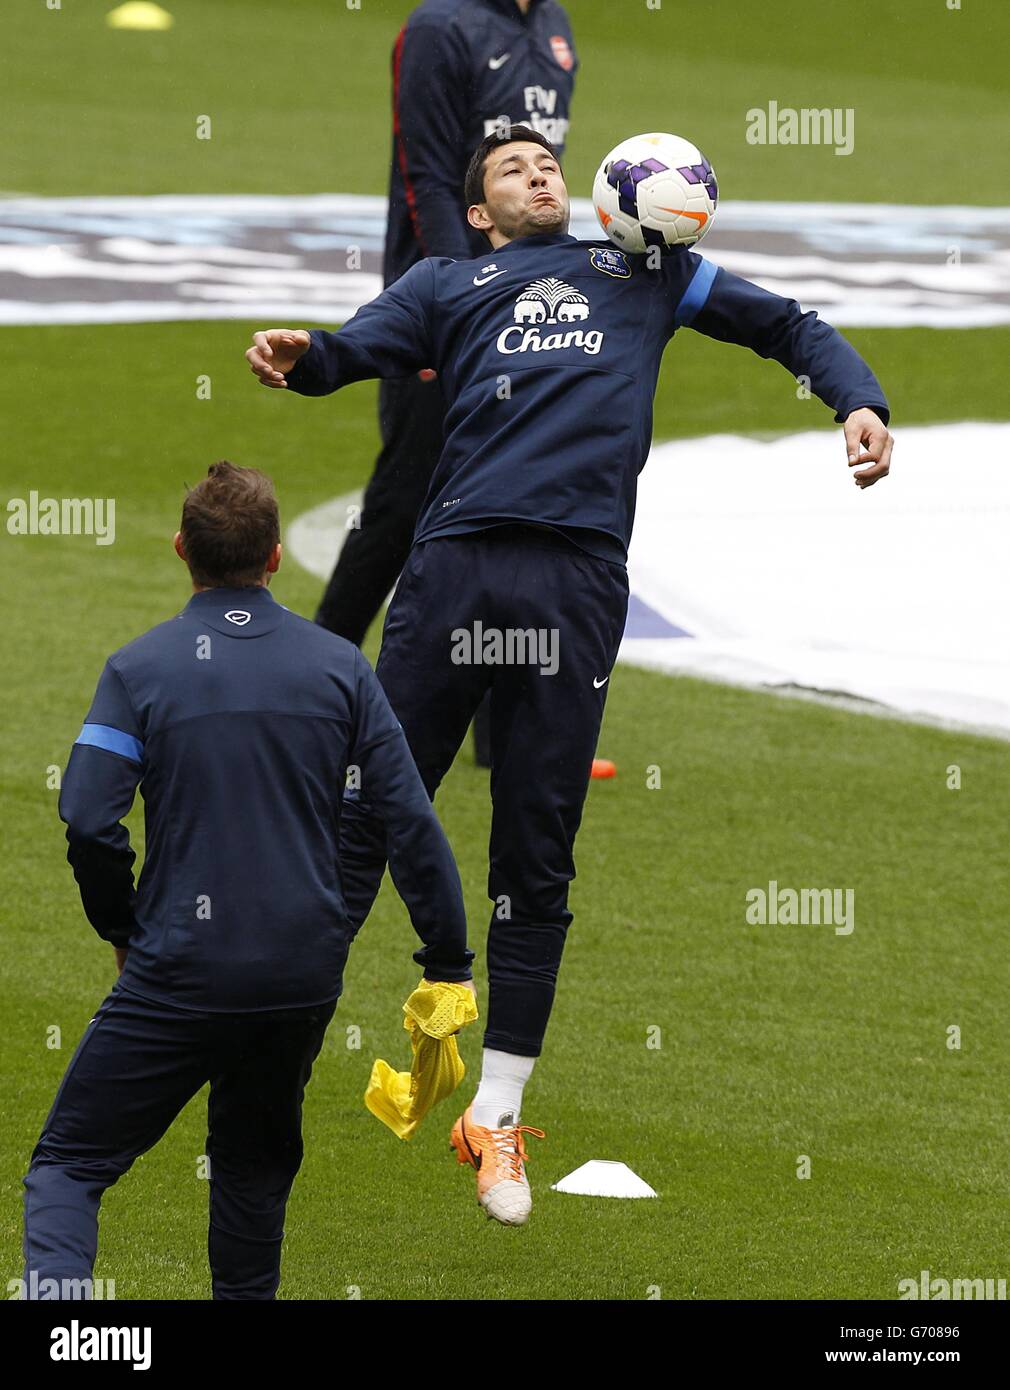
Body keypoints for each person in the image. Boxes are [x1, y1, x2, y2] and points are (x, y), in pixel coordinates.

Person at [245, 127, 893, 1225]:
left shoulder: (646, 271)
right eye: (511, 169)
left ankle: (494, 1117)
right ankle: (274, 1070)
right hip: (451, 571)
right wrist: (298, 356)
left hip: (576, 588)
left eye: (549, 161)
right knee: (363, 822)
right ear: (483, 214)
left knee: (534, 848)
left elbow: (785, 325)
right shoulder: (449, 281)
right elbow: (348, 350)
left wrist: (856, 401)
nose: (539, 171)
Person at [23, 461, 474, 1299]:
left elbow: (89, 820)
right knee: (250, 1175)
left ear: (181, 550)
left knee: (70, 1166)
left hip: (177, 972)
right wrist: (448, 960)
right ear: (273, 559)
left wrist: (122, 929)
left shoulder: (138, 670)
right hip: (298, 976)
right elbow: (407, 820)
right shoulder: (342, 670)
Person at [316, 0, 577, 766]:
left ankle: (504, 734)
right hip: (445, 315)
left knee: (514, 502)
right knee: (399, 507)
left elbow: (538, 181)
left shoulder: (556, 27)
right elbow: (424, 172)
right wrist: (459, 298)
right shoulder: (441, 27)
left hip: (524, 310)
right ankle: (309, 687)